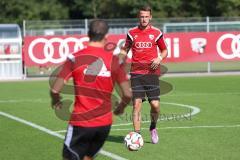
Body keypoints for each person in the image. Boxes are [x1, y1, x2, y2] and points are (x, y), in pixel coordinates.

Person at [50, 19, 131, 160]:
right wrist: (121, 108)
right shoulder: (115, 61)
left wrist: (55, 100)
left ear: (88, 34)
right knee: (88, 157)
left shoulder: (74, 58)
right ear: (107, 36)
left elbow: (55, 90)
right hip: (104, 124)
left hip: (81, 122)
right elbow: (128, 94)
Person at [119, 5, 168, 144]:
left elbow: (164, 50)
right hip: (136, 74)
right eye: (142, 16)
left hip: (152, 74)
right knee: (137, 105)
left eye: (146, 16)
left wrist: (159, 58)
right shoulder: (131, 33)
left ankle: (153, 127)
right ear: (138, 17)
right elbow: (125, 49)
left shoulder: (157, 33)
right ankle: (137, 135)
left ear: (150, 17)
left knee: (155, 105)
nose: (144, 19)